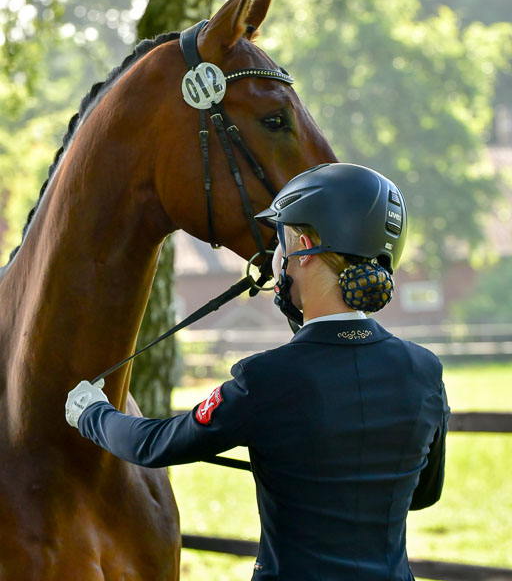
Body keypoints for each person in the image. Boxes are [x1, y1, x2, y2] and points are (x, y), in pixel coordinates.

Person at [66, 162, 450, 581]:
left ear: (303, 247)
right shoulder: (424, 372)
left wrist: (92, 413)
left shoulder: (266, 379)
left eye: (279, 241)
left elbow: (155, 445)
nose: (276, 258)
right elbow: (424, 494)